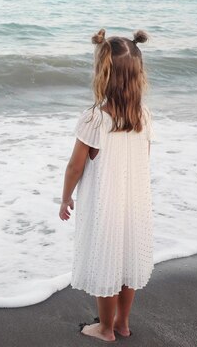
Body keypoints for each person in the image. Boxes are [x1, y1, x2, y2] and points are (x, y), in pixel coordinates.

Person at [58, 28, 155, 342]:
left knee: (106, 267)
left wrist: (65, 198)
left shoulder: (94, 119)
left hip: (106, 207)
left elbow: (75, 166)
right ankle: (123, 324)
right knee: (127, 269)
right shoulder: (143, 116)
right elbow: (145, 156)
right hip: (135, 204)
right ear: (138, 74)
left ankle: (105, 328)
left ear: (101, 73)